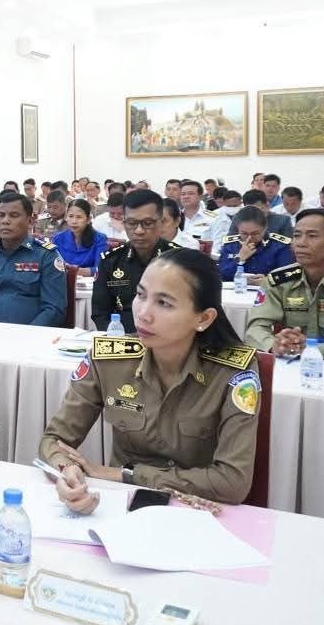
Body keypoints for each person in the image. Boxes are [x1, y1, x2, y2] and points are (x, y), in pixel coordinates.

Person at [41, 248, 260, 506]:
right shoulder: (109, 360)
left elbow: (232, 483)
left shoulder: (234, 372)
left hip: (198, 509)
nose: (143, 313)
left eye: (164, 303)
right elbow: (54, 440)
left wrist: (127, 475)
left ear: (204, 318)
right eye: (141, 295)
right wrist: (66, 470)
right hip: (122, 505)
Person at [245, 209, 324, 359]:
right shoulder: (277, 280)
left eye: (312, 236)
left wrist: (310, 351)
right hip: (289, 363)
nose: (300, 243)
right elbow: (255, 329)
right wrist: (274, 345)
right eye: (297, 235)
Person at [0, 191, 67, 326]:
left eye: (13, 215)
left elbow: (54, 309)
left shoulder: (46, 255)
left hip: (31, 334)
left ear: (30, 221)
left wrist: (26, 334)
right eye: (1, 215)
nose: (5, 221)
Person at [93, 190, 178, 332]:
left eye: (147, 223)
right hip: (122, 338)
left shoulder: (179, 260)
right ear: (124, 223)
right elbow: (100, 312)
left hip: (167, 337)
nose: (139, 230)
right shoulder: (111, 260)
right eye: (131, 223)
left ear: (161, 222)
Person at [217, 206, 295, 283]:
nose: (249, 238)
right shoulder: (231, 245)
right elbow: (221, 275)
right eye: (244, 233)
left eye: (255, 233)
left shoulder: (279, 246)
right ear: (238, 229)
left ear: (265, 228)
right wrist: (240, 258)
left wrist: (268, 281)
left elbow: (290, 275)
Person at [53, 199, 109, 273]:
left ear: (88, 219)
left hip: (90, 280)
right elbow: (54, 266)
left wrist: (74, 271)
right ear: (66, 218)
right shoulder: (58, 238)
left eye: (79, 217)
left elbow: (100, 269)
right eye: (71, 216)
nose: (74, 221)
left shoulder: (100, 239)